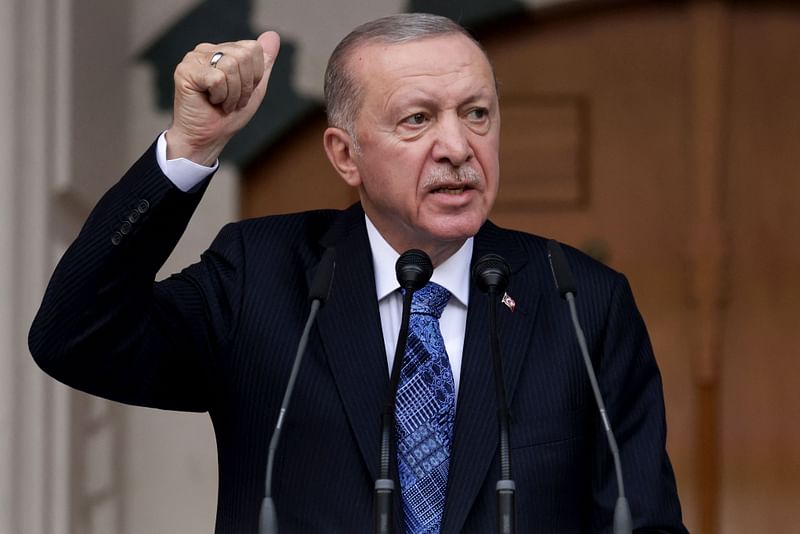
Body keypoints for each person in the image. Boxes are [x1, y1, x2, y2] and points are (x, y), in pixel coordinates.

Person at [29, 13, 687, 534]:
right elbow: (75, 338)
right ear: (346, 155)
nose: (458, 147)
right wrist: (191, 149)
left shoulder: (579, 298)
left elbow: (644, 521)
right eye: (418, 118)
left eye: (476, 114)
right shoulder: (261, 275)